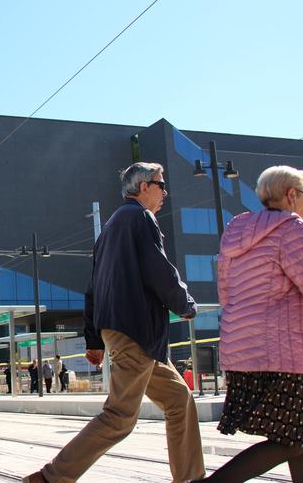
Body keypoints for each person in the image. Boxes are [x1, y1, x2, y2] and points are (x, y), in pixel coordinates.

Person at [24, 162, 204, 483]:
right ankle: (51, 478)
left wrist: (94, 339)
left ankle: (190, 478)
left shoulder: (109, 228)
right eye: (161, 185)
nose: (165, 192)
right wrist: (185, 303)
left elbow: (93, 287)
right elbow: (159, 270)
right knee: (120, 417)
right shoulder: (140, 218)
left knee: (179, 400)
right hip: (136, 331)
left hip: (130, 334)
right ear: (143, 187)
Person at [192, 166, 303, 482]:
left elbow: (225, 291)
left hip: (242, 348)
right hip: (277, 351)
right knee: (290, 439)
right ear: (291, 195)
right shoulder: (293, 229)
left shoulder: (236, 232)